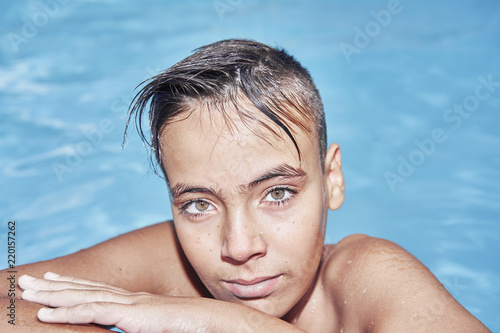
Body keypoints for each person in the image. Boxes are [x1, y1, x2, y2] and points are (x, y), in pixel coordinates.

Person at [0, 39, 491, 332]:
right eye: (198, 204)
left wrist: (225, 321)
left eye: (277, 193)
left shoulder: (367, 276)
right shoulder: (174, 263)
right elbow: (6, 302)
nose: (238, 247)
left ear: (332, 180)